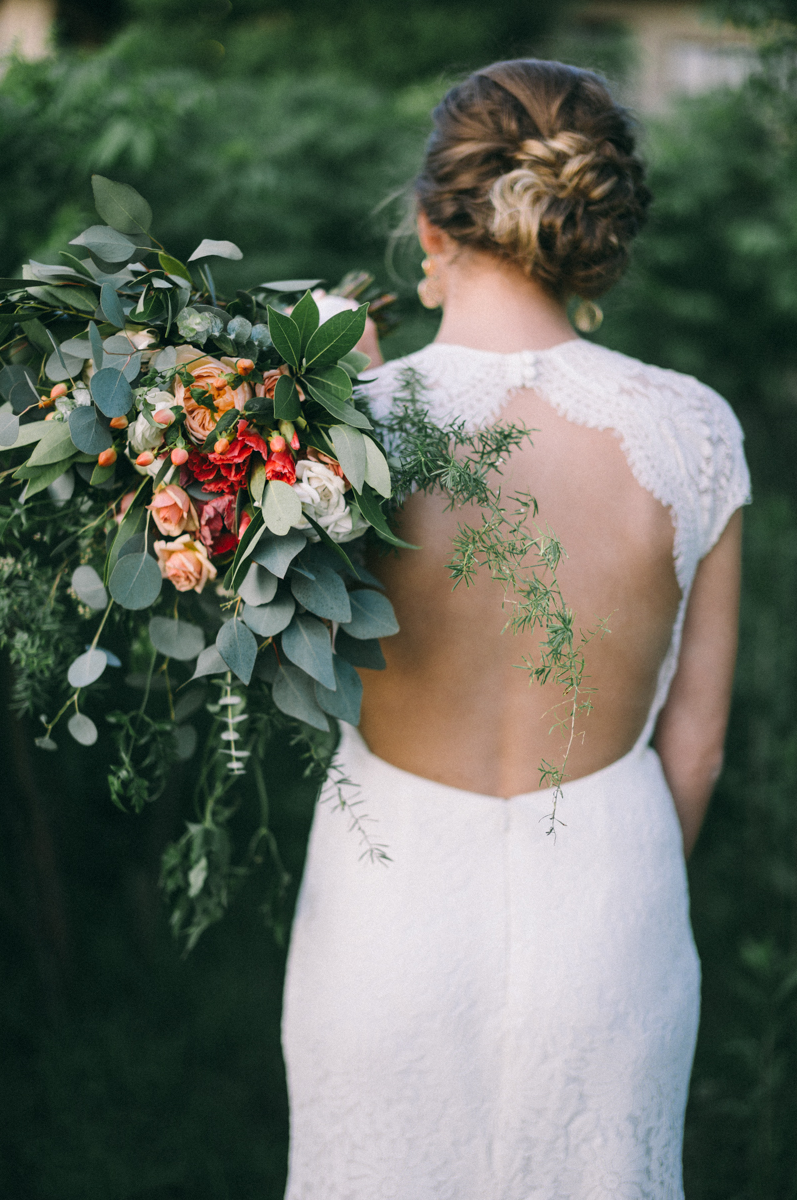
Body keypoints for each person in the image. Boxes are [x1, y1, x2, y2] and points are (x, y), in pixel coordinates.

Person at [281, 59, 750, 1199]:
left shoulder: (337, 423)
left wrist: (330, 391)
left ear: (429, 228)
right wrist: (615, 873)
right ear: (590, 234)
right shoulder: (691, 427)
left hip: (383, 906)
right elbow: (695, 745)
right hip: (610, 899)